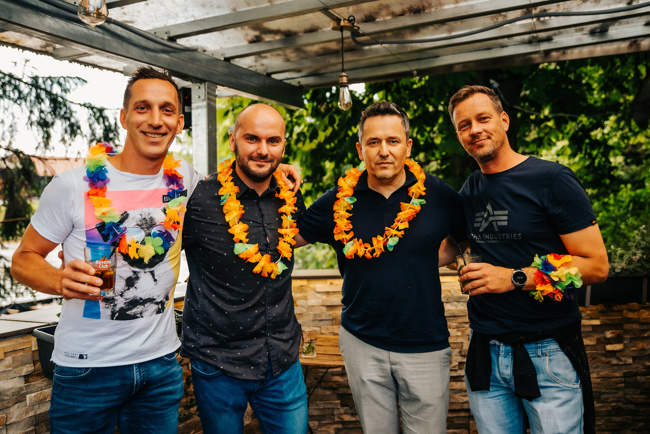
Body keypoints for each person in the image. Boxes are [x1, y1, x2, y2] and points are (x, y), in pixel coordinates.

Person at [10, 66, 202, 432]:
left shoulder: (186, 180)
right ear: (124, 117)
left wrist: (273, 170)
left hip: (160, 366)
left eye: (166, 110)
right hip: (87, 369)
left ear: (179, 123)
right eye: (143, 108)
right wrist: (58, 280)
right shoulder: (71, 186)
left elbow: (232, 189)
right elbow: (22, 259)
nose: (155, 120)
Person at [446, 85, 609, 433]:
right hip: (486, 351)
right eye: (464, 125)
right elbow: (447, 246)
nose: (475, 130)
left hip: (547, 349)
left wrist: (514, 277)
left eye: (483, 118)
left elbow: (596, 266)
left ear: (504, 120)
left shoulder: (551, 179)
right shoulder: (470, 190)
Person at [295, 101, 465, 433]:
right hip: (361, 342)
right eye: (373, 142)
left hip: (425, 344)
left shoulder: (439, 194)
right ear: (361, 149)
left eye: (393, 141)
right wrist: (278, 180)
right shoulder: (337, 200)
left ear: (408, 146)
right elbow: (289, 237)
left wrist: (430, 258)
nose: (384, 151)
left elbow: (466, 236)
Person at [180, 103, 308, 433]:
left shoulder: (290, 196)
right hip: (218, 363)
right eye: (252, 138)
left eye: (273, 141)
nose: (263, 150)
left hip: (282, 360)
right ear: (232, 139)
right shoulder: (199, 200)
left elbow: (300, 236)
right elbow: (156, 250)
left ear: (283, 145)